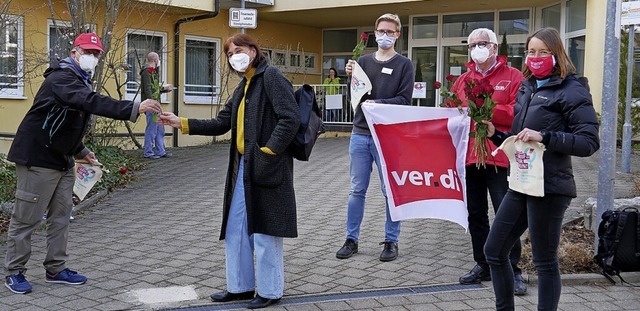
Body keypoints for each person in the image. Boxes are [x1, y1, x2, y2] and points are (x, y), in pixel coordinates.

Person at [4, 32, 161, 294]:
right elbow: (88, 102)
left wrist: (81, 150)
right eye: (88, 52)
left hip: (62, 160)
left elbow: (64, 123)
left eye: (97, 53)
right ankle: (14, 271)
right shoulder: (61, 78)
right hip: (37, 159)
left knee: (61, 217)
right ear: (74, 52)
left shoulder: (79, 80)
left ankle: (55, 269)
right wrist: (133, 109)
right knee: (26, 219)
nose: (93, 57)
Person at [158, 33, 299, 309]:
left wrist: (268, 151)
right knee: (236, 228)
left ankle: (270, 290)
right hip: (244, 166)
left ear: (254, 49)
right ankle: (240, 287)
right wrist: (181, 122)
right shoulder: (244, 86)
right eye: (230, 53)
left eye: (240, 49)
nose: (235, 55)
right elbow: (222, 123)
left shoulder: (271, 77)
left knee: (265, 231)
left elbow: (290, 117)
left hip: (266, 165)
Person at [483, 27, 600, 310]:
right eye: (531, 51)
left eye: (542, 52)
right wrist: (495, 134)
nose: (535, 57)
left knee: (544, 261)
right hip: (522, 182)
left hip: (550, 186)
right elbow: (521, 137)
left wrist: (545, 136)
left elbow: (588, 142)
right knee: (494, 251)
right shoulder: (527, 86)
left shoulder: (572, 89)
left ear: (556, 54)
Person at [447, 28, 527, 295]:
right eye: (472, 44)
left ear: (494, 48)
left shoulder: (513, 76)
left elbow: (520, 111)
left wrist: (489, 110)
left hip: (501, 156)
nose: (477, 48)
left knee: (507, 214)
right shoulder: (463, 80)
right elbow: (452, 114)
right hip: (469, 157)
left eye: (483, 43)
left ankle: (513, 269)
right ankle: (483, 263)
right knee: (475, 214)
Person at [336, 13, 414, 262]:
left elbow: (404, 100)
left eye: (391, 32)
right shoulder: (363, 61)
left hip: (388, 136)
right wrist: (350, 76)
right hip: (360, 134)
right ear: (375, 32)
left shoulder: (404, 65)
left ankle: (391, 241)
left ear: (398, 34)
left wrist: (377, 104)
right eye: (381, 31)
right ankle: (351, 239)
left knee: (390, 190)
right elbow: (356, 96)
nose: (385, 35)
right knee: (356, 190)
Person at [141, 51, 173, 159]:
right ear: (155, 60)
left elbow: (154, 89)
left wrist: (164, 89)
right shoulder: (146, 72)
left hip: (156, 104)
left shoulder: (153, 72)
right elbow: (148, 89)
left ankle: (160, 151)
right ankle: (148, 152)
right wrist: (152, 103)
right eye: (158, 59)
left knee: (160, 128)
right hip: (152, 106)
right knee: (152, 128)